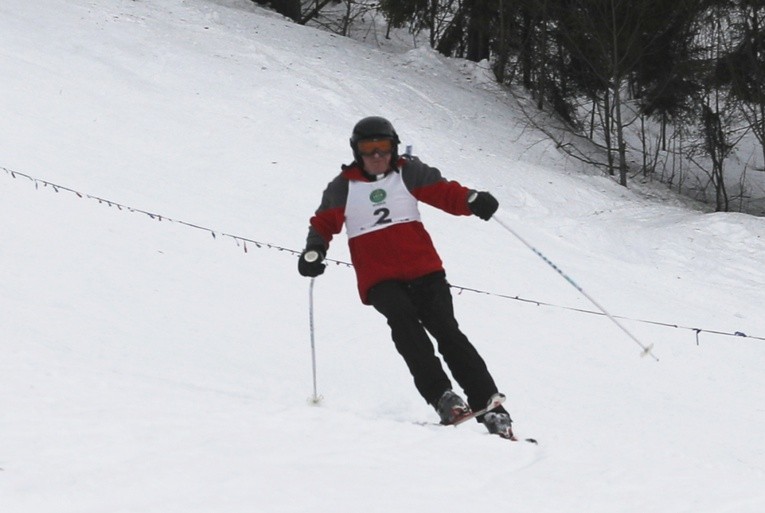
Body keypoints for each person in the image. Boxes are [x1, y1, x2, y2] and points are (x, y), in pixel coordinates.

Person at [298, 116, 514, 439]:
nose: (376, 156)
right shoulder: (343, 186)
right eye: (367, 149)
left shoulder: (408, 172)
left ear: (393, 148)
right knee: (405, 325)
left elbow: (444, 192)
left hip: (425, 271)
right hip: (380, 279)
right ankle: (442, 395)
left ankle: (489, 404)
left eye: (382, 148)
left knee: (447, 331)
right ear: (356, 152)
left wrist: (471, 200)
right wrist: (314, 250)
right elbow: (323, 223)